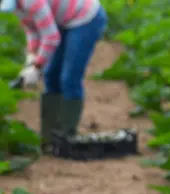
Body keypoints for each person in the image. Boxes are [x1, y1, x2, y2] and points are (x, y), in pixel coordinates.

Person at [1, 0, 107, 150]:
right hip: (62, 20)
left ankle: (67, 137)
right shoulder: (17, 7)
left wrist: (37, 67)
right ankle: (50, 138)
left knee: (69, 78)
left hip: (86, 18)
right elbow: (32, 30)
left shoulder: (33, 2)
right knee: (51, 75)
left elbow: (51, 38)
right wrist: (31, 57)